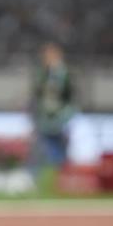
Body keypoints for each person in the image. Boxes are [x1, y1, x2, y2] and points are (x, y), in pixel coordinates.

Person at [30, 43, 76, 179]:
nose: (47, 58)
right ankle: (35, 178)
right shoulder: (42, 73)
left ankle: (63, 178)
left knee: (61, 150)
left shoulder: (65, 74)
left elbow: (70, 97)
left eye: (50, 55)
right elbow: (37, 95)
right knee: (39, 150)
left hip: (60, 119)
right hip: (44, 119)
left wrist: (66, 115)